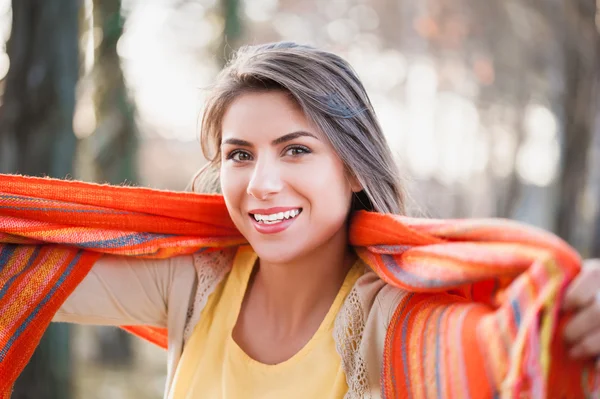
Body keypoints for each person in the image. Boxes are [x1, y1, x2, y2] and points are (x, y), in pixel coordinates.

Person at [53, 42, 600, 398]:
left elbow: (520, 348)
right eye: (240, 155)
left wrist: (583, 302)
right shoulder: (192, 282)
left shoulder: (390, 318)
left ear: (355, 170)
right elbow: (26, 278)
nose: (261, 182)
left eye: (295, 151)